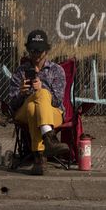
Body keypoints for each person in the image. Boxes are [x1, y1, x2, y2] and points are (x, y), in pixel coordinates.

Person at [9, 29, 70, 175]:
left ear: (47, 51)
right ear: (28, 50)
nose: (36, 55)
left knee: (34, 107)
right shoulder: (20, 71)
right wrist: (22, 93)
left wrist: (41, 87)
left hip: (52, 112)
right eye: (32, 51)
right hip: (22, 112)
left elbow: (56, 101)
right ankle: (49, 137)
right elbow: (12, 105)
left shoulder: (57, 71)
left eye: (39, 51)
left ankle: (39, 158)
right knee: (32, 103)